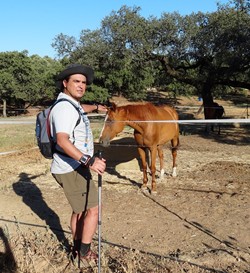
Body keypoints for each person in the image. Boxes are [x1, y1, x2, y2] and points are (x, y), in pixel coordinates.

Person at [49, 63, 106, 264]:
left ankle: (76, 248)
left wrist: (97, 107)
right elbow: (63, 140)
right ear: (65, 83)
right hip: (71, 167)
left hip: (73, 166)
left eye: (83, 82)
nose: (81, 85)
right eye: (76, 81)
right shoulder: (65, 108)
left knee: (80, 210)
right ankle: (83, 252)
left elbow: (81, 109)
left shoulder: (70, 104)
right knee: (93, 209)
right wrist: (88, 160)